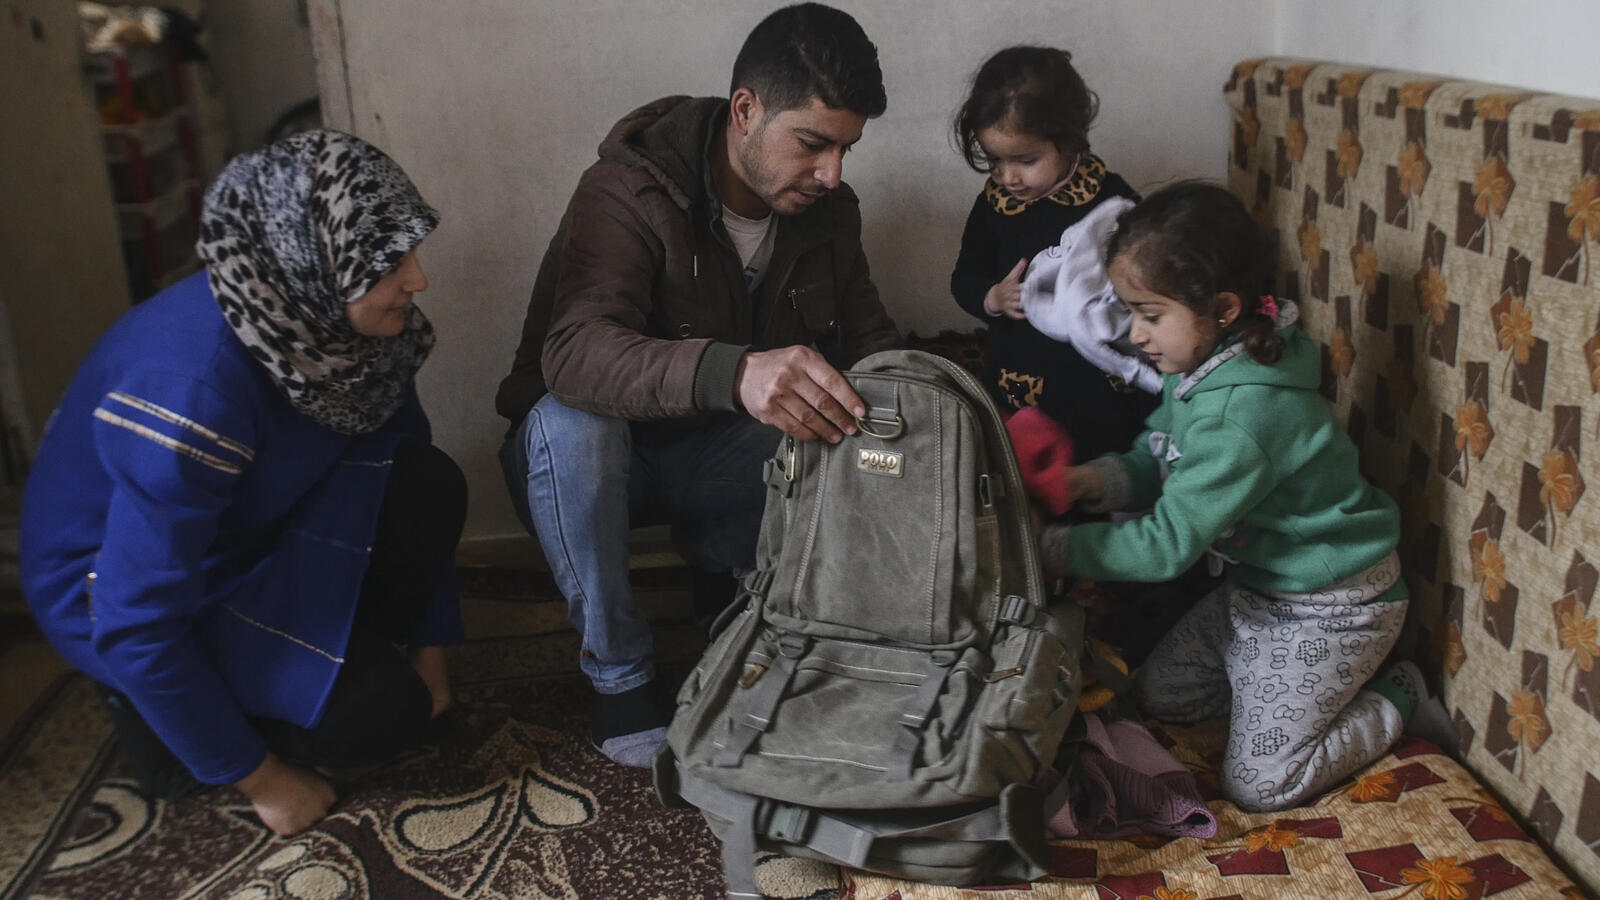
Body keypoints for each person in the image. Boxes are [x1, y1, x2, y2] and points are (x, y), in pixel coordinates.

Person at [19, 130, 466, 836]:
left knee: (426, 483)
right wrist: (263, 779)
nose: (417, 280)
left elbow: (402, 461)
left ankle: (295, 669)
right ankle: (173, 720)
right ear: (304, 261)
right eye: (386, 262)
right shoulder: (190, 392)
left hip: (249, 527)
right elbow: (136, 620)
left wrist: (432, 651)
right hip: (122, 592)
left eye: (410, 251)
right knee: (381, 717)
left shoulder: (335, 327)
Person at [495, 3, 901, 768]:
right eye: (812, 144)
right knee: (570, 423)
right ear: (746, 111)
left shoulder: (829, 214)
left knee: (841, 413)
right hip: (588, 467)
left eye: (847, 149)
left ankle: (733, 598)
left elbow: (871, 345)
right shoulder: (626, 191)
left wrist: (939, 421)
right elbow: (574, 354)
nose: (832, 173)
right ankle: (619, 676)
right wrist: (735, 370)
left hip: (714, 466)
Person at [1036, 181, 1429, 813]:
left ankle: (1398, 694)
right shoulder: (1201, 371)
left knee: (1259, 785)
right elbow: (1157, 459)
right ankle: (1277, 679)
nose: (1135, 334)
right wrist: (1086, 482)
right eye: (1131, 311)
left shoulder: (1244, 415)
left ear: (1222, 308)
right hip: (1259, 591)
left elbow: (1164, 548)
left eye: (1150, 314)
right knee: (1162, 697)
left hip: (1331, 605)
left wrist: (1050, 548)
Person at [950, 45, 1155, 464]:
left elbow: (1146, 278)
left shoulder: (1110, 202)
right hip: (1021, 382)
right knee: (1022, 470)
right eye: (994, 160)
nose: (1008, 177)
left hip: (1097, 382)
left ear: (1069, 139)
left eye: (1026, 160)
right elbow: (965, 275)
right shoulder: (996, 206)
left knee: (1105, 458)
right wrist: (990, 298)